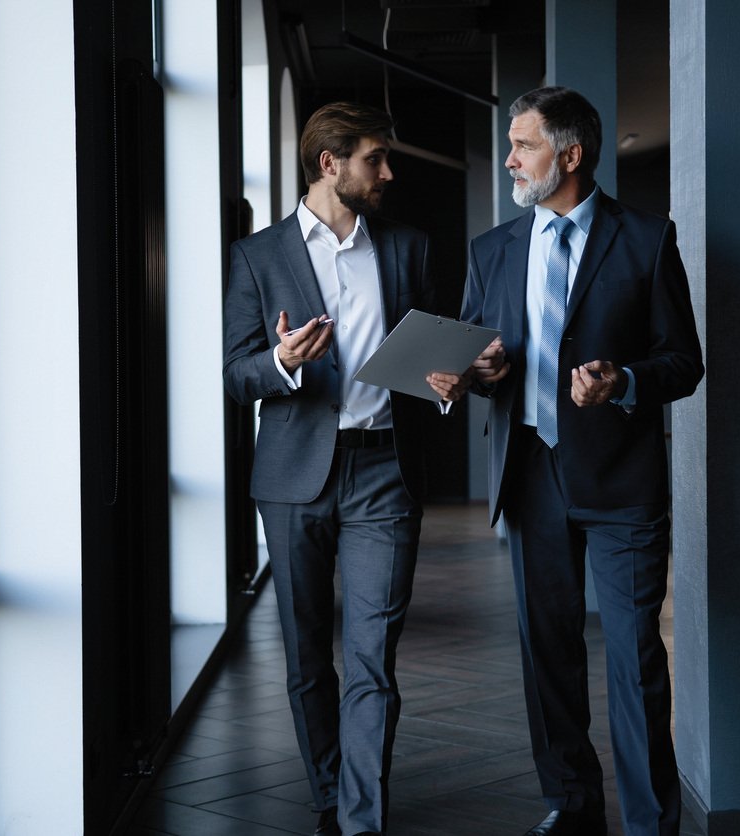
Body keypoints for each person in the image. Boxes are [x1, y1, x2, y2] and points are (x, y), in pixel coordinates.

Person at [460, 87, 704, 836]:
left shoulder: (646, 239)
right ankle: (571, 803)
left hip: (622, 481)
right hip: (530, 475)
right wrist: (472, 373)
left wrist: (623, 381)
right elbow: (472, 350)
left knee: (636, 662)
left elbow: (683, 363)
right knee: (549, 655)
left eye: (523, 145)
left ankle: (649, 823)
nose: (509, 158)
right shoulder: (493, 248)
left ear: (570, 155)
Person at [222, 101, 465, 836]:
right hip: (293, 478)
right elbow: (235, 375)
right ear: (330, 164)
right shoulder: (257, 257)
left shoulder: (409, 248)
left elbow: (432, 355)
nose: (387, 172)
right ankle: (330, 793)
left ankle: (363, 820)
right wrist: (282, 364)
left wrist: (447, 380)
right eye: (374, 159)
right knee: (306, 657)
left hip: (386, 472)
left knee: (372, 658)